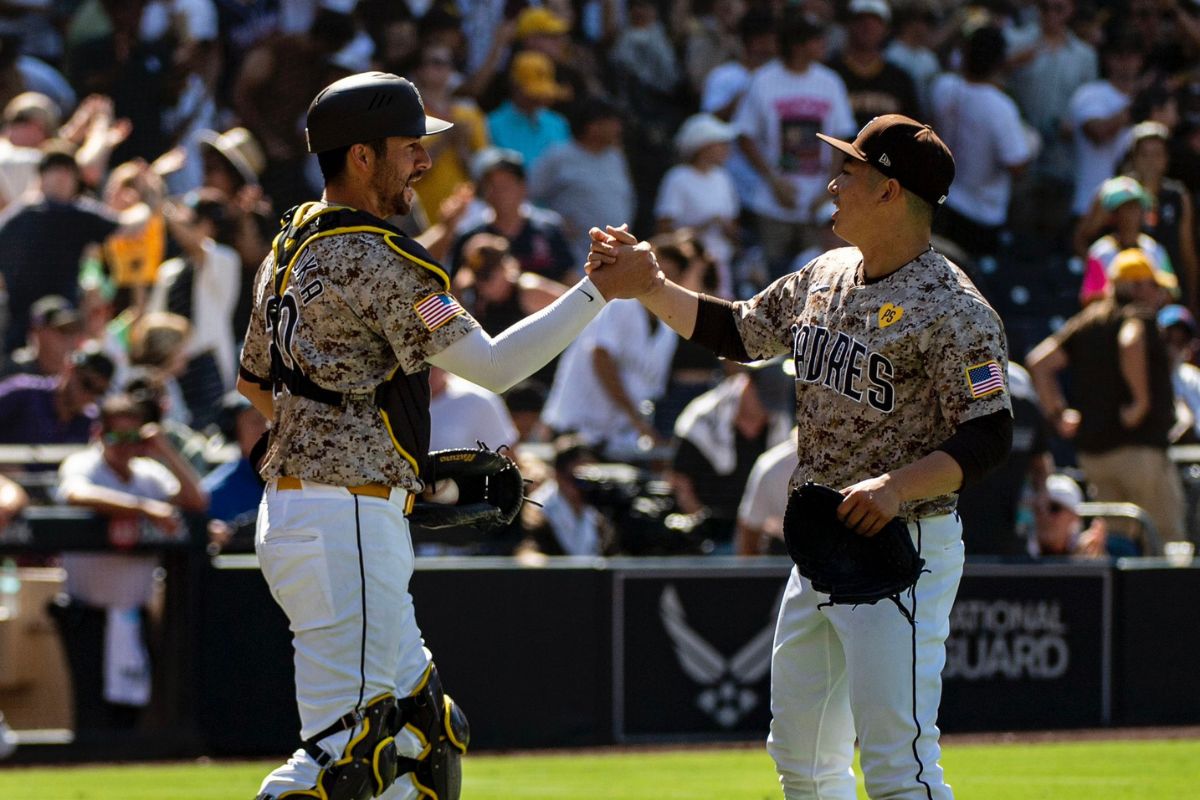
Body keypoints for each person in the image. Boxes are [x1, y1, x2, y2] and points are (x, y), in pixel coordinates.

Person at [236, 71, 653, 800]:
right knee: (343, 759)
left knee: (419, 735)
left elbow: (255, 387)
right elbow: (494, 367)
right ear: (361, 157)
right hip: (344, 520)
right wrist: (597, 292)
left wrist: (372, 454)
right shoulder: (379, 258)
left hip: (311, 510)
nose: (425, 161)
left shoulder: (288, 248)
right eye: (409, 147)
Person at [589, 114, 1012, 798]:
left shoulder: (955, 308)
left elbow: (990, 431)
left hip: (900, 543)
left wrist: (898, 488)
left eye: (850, 170)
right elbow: (739, 329)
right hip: (821, 541)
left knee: (897, 761)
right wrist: (649, 285)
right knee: (802, 755)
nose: (833, 182)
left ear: (891, 191)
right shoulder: (827, 273)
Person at [52, 393, 207, 731]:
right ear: (99, 434)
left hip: (135, 616)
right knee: (92, 715)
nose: (123, 446)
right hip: (87, 615)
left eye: (131, 438)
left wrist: (164, 449)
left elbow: (197, 500)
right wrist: (145, 508)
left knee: (134, 717)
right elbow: (76, 494)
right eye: (115, 437)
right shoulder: (84, 464)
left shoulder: (149, 473)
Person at [1027, 247, 1185, 547]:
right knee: (1167, 545)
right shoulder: (1137, 313)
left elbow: (1039, 363)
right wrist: (1139, 402)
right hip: (1141, 452)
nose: (1158, 294)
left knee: (1117, 546)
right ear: (1136, 286)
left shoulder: (1088, 320)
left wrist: (1058, 413)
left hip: (1095, 457)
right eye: (1153, 284)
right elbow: (1130, 341)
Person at [1028, 472, 1108, 557]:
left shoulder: (1088, 555)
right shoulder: (1015, 553)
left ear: (1074, 516)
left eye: (1054, 508)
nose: (1044, 515)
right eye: (1038, 508)